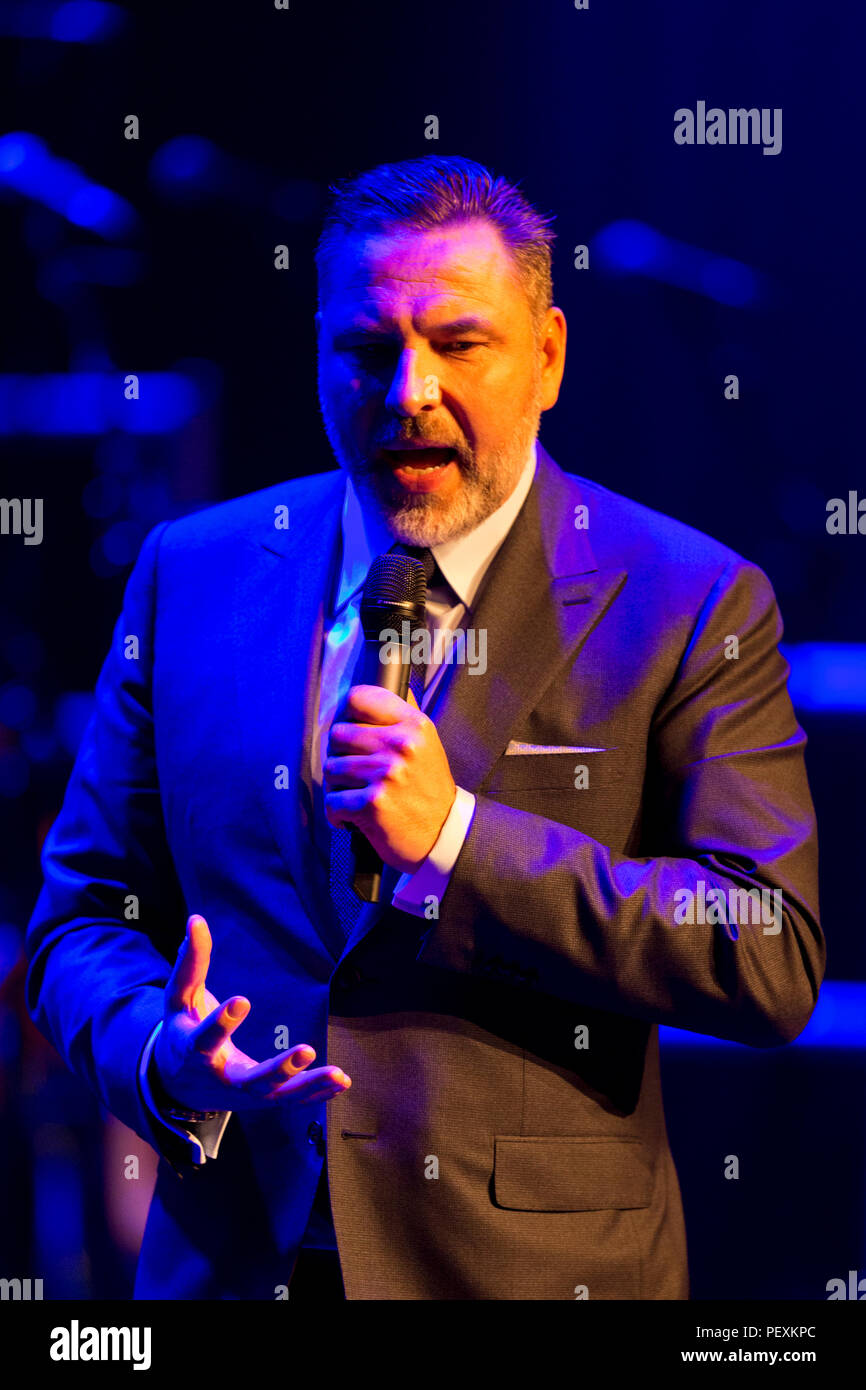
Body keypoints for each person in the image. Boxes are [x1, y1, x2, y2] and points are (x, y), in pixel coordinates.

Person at [25, 154, 824, 1300]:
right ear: (315, 352)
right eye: (364, 348)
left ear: (545, 354)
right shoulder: (190, 574)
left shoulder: (688, 600)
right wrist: (163, 1053)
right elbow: (80, 918)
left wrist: (457, 841)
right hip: (230, 1264)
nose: (406, 390)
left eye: (457, 344)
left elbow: (765, 950)